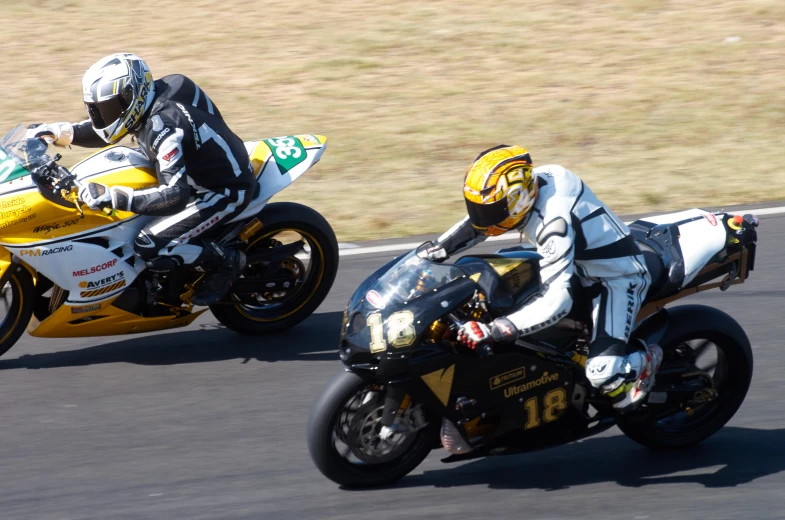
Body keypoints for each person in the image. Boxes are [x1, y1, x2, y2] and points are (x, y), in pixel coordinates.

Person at [424, 145, 663, 411]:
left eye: (490, 211)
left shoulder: (554, 225)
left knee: (604, 375)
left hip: (613, 277)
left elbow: (557, 302)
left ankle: (643, 363)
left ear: (519, 200)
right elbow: (479, 224)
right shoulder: (529, 186)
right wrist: (436, 249)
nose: (484, 217)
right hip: (574, 263)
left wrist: (498, 329)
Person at [28, 53, 257, 306]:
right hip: (190, 174)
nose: (104, 116)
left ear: (131, 96)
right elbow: (106, 129)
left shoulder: (165, 125)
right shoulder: (152, 99)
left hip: (221, 190)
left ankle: (226, 262)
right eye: (97, 110)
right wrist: (60, 133)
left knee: (148, 243)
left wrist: (113, 196)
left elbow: (174, 196)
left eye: (109, 108)